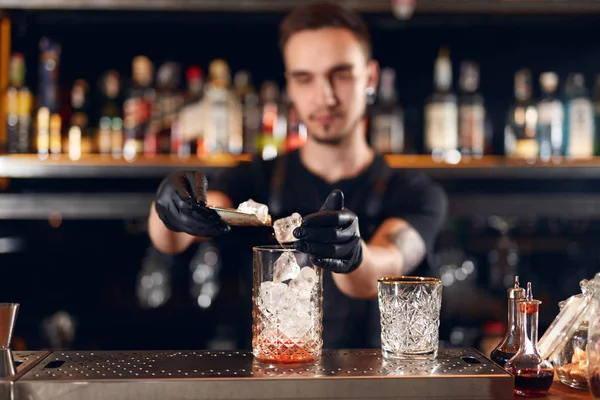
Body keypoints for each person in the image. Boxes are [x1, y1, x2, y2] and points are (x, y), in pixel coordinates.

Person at [148, 3, 448, 349]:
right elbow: (174, 236)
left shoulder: (416, 193)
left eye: (341, 74)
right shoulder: (254, 178)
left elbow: (383, 266)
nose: (326, 96)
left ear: (370, 78)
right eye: (305, 78)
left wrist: (354, 255)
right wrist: (169, 209)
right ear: (289, 84)